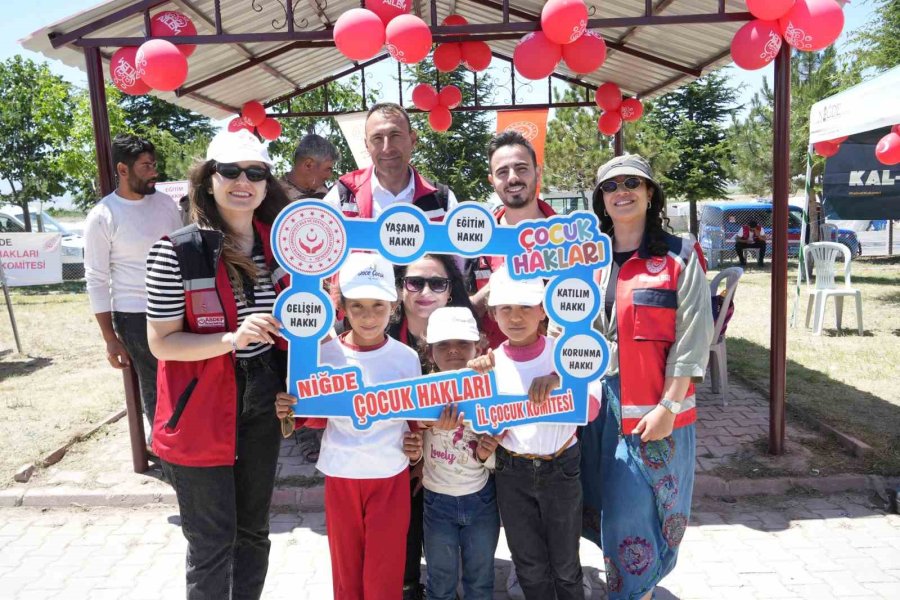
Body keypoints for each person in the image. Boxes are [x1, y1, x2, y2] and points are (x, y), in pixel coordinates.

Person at [145, 129, 291, 599]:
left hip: (262, 398)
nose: (243, 182)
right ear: (208, 180)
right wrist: (231, 339)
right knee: (212, 542)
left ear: (267, 184)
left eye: (256, 173)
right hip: (199, 405)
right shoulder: (177, 251)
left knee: (253, 533)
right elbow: (162, 344)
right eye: (230, 171)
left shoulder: (283, 246)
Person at [582, 154, 713, 600]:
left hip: (653, 413)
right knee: (599, 505)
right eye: (610, 186)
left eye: (631, 183)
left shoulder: (679, 256)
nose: (621, 192)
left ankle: (636, 593)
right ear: (600, 199)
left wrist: (669, 406)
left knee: (633, 513)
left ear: (650, 192)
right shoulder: (588, 258)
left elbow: (692, 338)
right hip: (594, 411)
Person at [276, 252, 422, 600]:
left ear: (393, 306)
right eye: (357, 306)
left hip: (390, 476)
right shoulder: (326, 356)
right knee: (346, 572)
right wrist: (290, 410)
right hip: (341, 474)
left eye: (378, 305)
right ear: (341, 307)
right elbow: (313, 416)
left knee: (384, 573)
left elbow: (415, 421)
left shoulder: (407, 358)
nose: (368, 316)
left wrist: (416, 450)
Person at [468, 268, 584, 600]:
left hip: (561, 468)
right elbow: (484, 422)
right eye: (505, 308)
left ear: (543, 310)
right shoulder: (490, 363)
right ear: (493, 314)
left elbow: (589, 406)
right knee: (529, 566)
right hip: (512, 471)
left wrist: (560, 379)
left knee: (566, 565)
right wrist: (477, 381)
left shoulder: (565, 354)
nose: (515, 317)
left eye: (525, 307)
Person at [83, 134, 182, 443]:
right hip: (135, 316)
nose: (154, 172)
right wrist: (109, 338)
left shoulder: (165, 204)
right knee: (155, 386)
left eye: (154, 165)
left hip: (177, 308)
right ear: (123, 170)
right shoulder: (103, 216)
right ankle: (165, 450)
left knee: (182, 380)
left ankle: (185, 445)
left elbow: (184, 251)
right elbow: (96, 279)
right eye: (146, 166)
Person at [389, 256, 477, 599]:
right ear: (400, 288)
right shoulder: (380, 334)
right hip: (397, 453)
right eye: (415, 282)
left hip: (453, 460)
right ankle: (408, 583)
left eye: (437, 283)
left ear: (450, 290)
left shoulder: (466, 336)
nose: (426, 291)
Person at [402, 307, 501, 600]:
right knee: (440, 582)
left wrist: (485, 454)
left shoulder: (490, 387)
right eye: (443, 344)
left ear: (478, 347)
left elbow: (499, 455)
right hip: (436, 502)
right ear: (429, 351)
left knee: (480, 582)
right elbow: (414, 447)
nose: (453, 350)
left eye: (462, 343)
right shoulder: (420, 392)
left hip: (481, 499)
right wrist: (414, 453)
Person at [466, 131, 556, 349]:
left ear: (538, 172)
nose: (513, 178)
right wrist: (495, 286)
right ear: (492, 180)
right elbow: (462, 312)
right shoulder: (476, 240)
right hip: (491, 364)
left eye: (521, 168)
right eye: (502, 172)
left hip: (551, 365)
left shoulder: (568, 237)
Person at [323, 102, 459, 221]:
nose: (387, 148)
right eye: (377, 138)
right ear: (366, 145)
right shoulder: (343, 194)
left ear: (412, 140)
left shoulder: (443, 200)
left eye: (395, 135)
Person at [280, 133, 340, 200]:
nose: (330, 176)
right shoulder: (275, 195)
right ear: (308, 165)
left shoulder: (326, 194)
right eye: (328, 169)